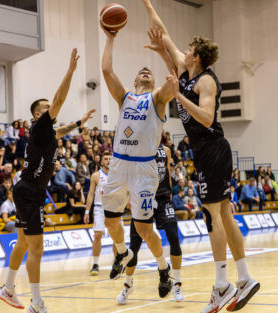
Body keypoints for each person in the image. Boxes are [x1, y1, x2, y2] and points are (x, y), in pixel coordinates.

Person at [142, 2, 260, 310]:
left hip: (212, 146)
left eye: (189, 48)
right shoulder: (183, 72)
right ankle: (244, 277)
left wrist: (178, 95)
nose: (184, 49)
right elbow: (164, 33)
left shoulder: (205, 80)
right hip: (206, 150)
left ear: (197, 56)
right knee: (224, 212)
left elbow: (208, 118)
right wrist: (147, 4)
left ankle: (222, 284)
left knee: (211, 214)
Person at [0, 48, 95, 313]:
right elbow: (59, 99)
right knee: (36, 249)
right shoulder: (40, 126)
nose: (51, 109)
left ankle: (7, 287)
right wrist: (71, 71)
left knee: (24, 243)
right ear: (38, 115)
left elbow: (60, 129)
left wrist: (79, 122)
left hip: (29, 190)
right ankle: (37, 303)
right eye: (46, 108)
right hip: (30, 192)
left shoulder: (46, 131)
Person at [100, 21, 176, 299]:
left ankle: (163, 267)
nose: (145, 72)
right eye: (141, 72)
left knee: (144, 229)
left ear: (154, 83)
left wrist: (163, 54)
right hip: (119, 165)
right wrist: (110, 37)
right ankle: (122, 253)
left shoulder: (158, 99)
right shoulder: (125, 98)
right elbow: (106, 70)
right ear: (134, 82)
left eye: (150, 72)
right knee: (110, 223)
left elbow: (175, 82)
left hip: (144, 169)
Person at [117, 143, 184, 303]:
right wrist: (128, 197)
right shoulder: (138, 147)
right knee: (135, 245)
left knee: (174, 237)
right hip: (143, 198)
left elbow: (167, 173)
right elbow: (130, 174)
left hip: (162, 199)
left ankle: (177, 283)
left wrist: (168, 197)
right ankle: (128, 285)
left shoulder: (166, 150)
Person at [83, 151, 111, 276]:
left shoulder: (118, 175)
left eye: (110, 159)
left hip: (114, 208)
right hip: (99, 208)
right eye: (106, 159)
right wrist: (87, 211)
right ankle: (95, 263)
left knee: (117, 237)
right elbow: (90, 194)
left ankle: (117, 262)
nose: (108, 161)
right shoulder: (96, 175)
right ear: (101, 162)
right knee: (97, 235)